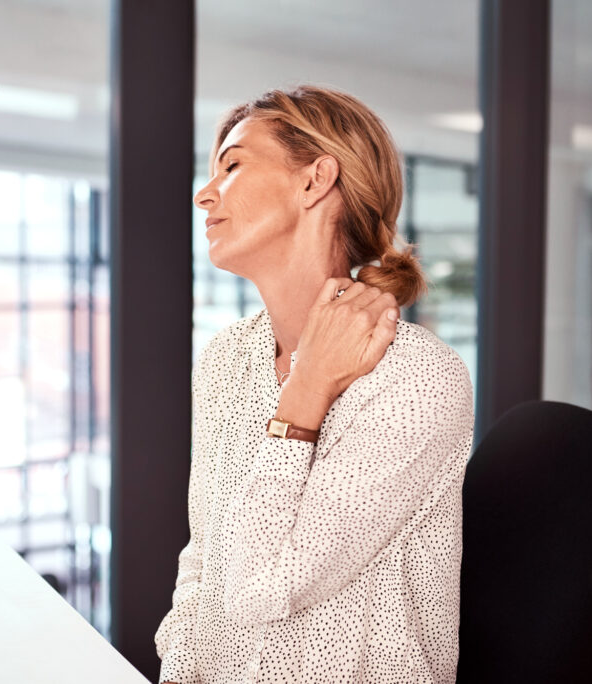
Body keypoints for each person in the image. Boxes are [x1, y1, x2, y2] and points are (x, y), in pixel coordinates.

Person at [155, 85, 474, 684]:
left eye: (232, 165)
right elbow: (205, 560)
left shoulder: (416, 379)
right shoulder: (228, 357)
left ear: (314, 181)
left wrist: (306, 392)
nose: (205, 194)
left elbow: (263, 587)